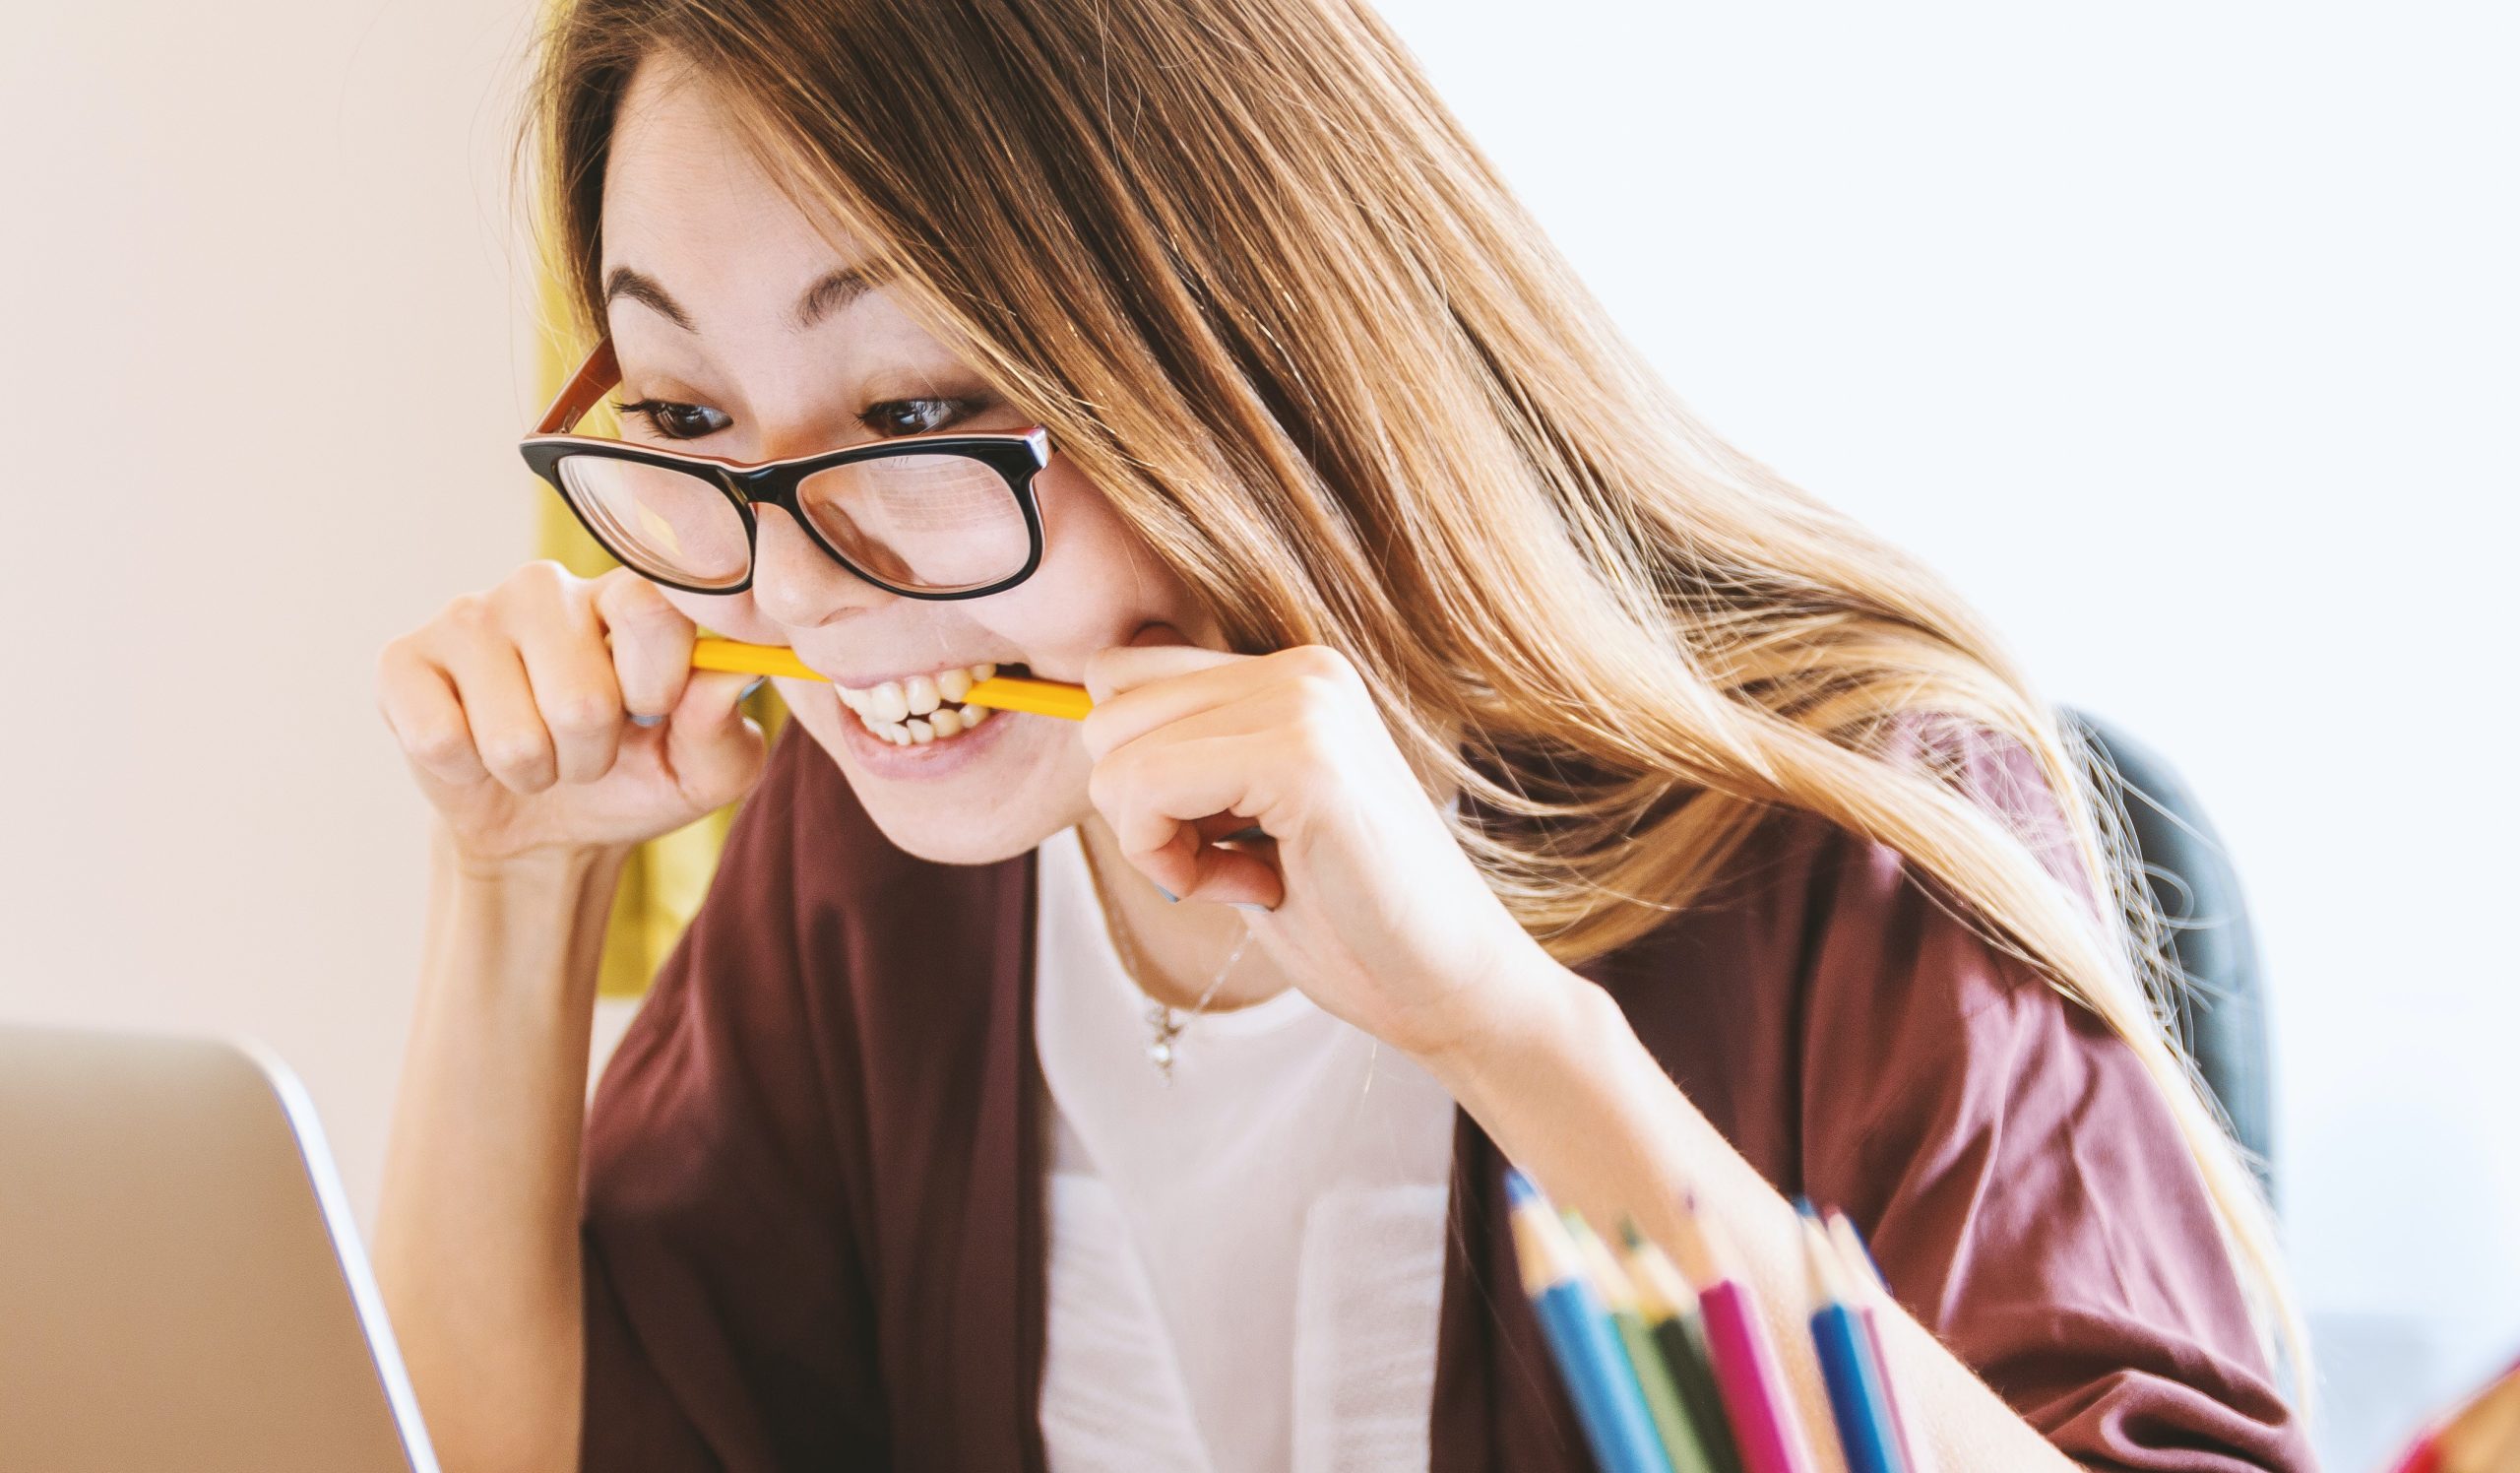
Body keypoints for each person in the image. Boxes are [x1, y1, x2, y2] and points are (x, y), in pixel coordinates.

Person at [369, 1, 2316, 1469]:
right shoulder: (884, 849)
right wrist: (511, 885)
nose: (792, 595)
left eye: (909, 414)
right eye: (695, 420)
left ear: (1233, 339)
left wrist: (1501, 1023)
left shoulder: (1840, 826)